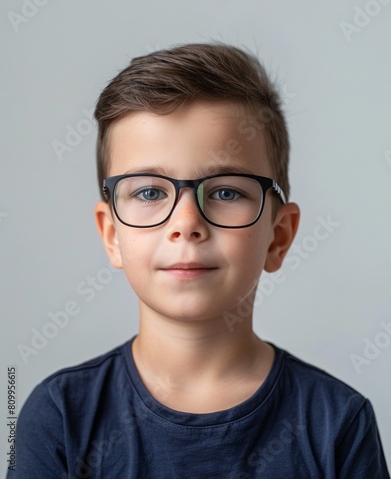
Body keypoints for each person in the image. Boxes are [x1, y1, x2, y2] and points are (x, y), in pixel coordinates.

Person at [10, 43, 389, 478]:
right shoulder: (59, 417)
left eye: (227, 191)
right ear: (112, 234)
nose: (186, 223)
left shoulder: (338, 424)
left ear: (278, 237)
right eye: (150, 192)